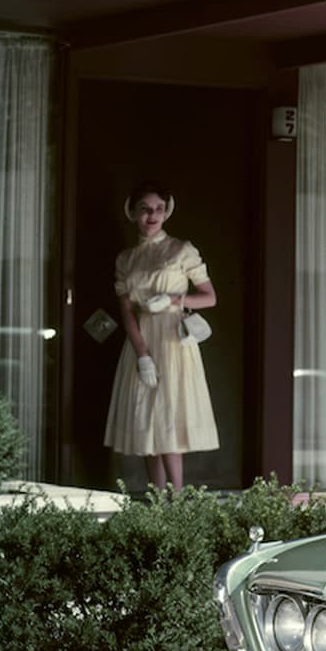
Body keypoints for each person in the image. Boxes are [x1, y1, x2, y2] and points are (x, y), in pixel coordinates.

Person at [103, 180, 219, 489]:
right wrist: (141, 353)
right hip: (142, 340)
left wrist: (173, 300)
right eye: (145, 210)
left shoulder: (181, 250)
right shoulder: (127, 259)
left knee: (168, 415)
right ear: (134, 213)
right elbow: (127, 310)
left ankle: (177, 498)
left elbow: (209, 297)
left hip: (173, 341)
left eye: (158, 209)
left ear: (166, 212)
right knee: (146, 422)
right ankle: (157, 497)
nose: (152, 216)